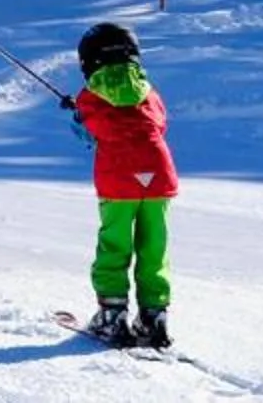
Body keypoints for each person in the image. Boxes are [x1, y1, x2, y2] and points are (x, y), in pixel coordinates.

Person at [64, 22, 179, 349]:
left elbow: (87, 134)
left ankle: (112, 314)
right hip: (158, 176)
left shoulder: (89, 96)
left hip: (118, 180)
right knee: (154, 246)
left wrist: (78, 113)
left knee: (115, 244)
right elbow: (160, 124)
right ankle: (154, 316)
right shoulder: (149, 92)